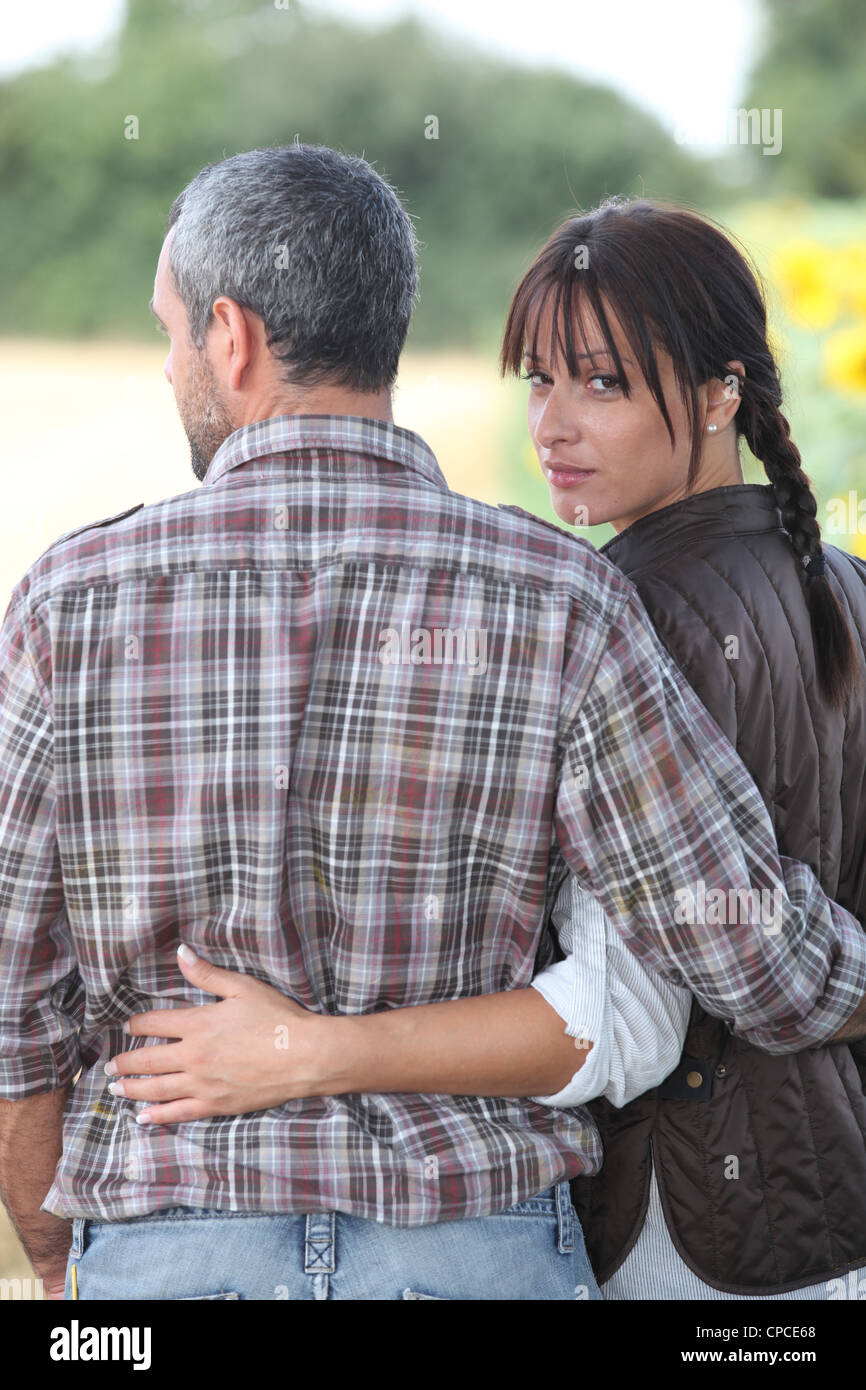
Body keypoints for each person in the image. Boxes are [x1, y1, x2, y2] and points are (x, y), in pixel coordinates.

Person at [1, 150, 865, 1302]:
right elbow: (751, 957)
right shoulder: (561, 596)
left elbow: (19, 1014)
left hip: (169, 1248)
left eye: (170, 335)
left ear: (230, 336)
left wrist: (58, 1252)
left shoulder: (68, 602)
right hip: (471, 1248)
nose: (168, 369)